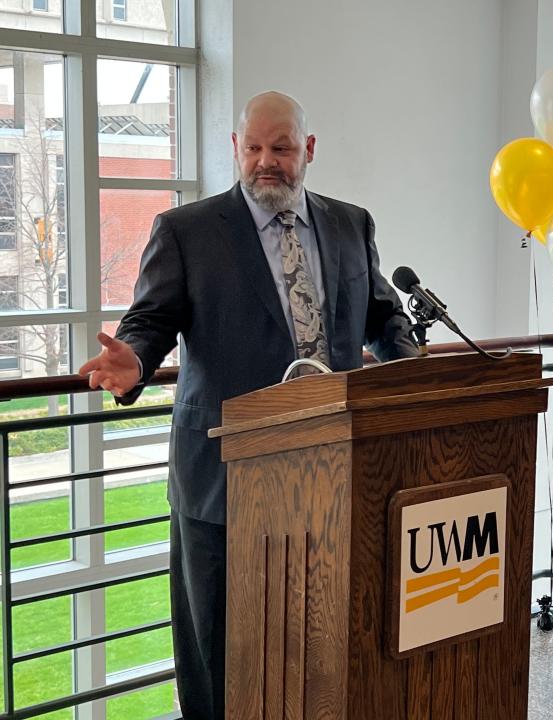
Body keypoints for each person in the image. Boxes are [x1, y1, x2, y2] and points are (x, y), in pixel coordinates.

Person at [79, 91, 418, 719]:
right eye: (254, 147)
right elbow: (151, 319)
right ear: (236, 147)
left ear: (308, 151)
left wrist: (410, 373)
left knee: (317, 645)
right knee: (217, 654)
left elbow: (382, 316)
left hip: (330, 478)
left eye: (282, 148)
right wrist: (133, 359)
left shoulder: (351, 224)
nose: (267, 161)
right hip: (222, 480)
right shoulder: (187, 231)